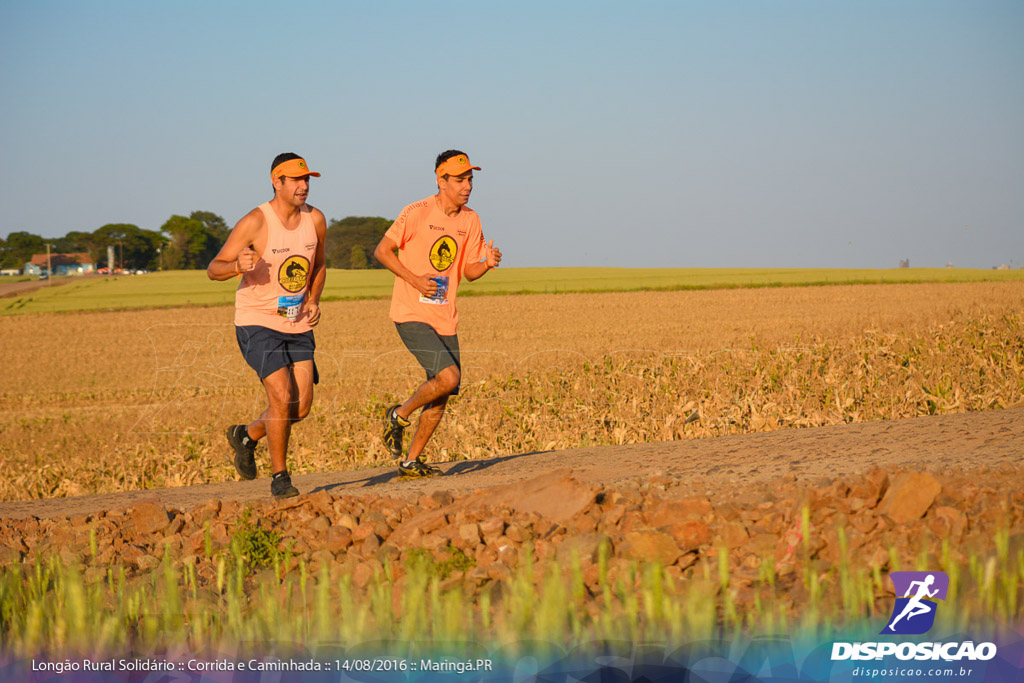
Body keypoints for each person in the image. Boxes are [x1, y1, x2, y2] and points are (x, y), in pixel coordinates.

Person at [373, 150, 502, 478]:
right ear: (440, 180)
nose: (467, 185)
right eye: (460, 179)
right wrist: (415, 280)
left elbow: (469, 272)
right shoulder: (416, 212)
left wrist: (486, 263)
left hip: (445, 315)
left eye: (470, 179)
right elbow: (382, 251)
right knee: (448, 377)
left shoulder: (471, 219)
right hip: (410, 311)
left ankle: (410, 461)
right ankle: (399, 415)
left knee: (443, 391)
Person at [207, 153, 327, 498]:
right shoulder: (256, 222)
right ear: (278, 182)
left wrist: (314, 299)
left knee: (299, 407)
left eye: (307, 180)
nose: (304, 186)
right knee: (281, 395)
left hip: (298, 321)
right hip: (257, 321)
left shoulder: (315, 219)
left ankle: (246, 435)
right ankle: (280, 479)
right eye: (296, 180)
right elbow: (214, 268)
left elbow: (318, 266)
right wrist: (235, 267)